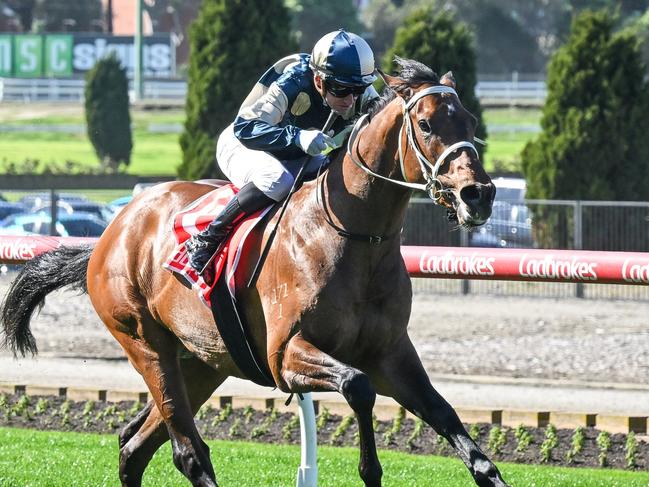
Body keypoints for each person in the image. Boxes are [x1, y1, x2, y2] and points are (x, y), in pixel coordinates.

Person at [185, 29, 380, 274]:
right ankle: (208, 238)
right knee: (277, 180)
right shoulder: (293, 80)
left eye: (358, 89)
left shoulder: (359, 92)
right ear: (319, 80)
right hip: (243, 144)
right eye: (341, 89)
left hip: (295, 154)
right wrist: (297, 137)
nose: (351, 99)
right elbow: (246, 128)